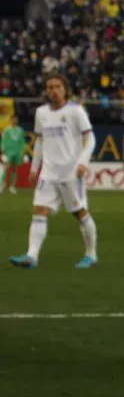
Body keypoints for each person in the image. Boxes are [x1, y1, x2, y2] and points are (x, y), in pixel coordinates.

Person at [9, 73, 98, 269]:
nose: (54, 90)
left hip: (71, 172)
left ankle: (91, 255)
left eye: (57, 86)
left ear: (65, 90)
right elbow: (40, 141)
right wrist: (34, 168)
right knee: (39, 210)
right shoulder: (41, 113)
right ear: (46, 91)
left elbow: (90, 139)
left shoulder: (76, 111)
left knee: (80, 213)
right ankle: (31, 256)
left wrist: (83, 162)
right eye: (50, 87)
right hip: (48, 173)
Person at [1, 115, 27, 194]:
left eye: (16, 120)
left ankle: (12, 186)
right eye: (13, 119)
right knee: (5, 168)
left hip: (17, 151)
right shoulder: (7, 130)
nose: (14, 121)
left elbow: (22, 141)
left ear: (17, 121)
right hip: (8, 151)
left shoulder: (20, 130)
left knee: (14, 169)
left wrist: (23, 151)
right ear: (10, 120)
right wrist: (2, 150)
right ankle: (2, 184)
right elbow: (3, 140)